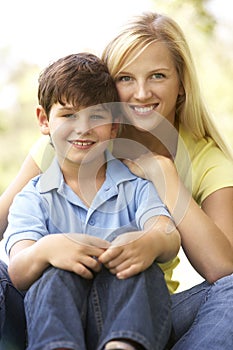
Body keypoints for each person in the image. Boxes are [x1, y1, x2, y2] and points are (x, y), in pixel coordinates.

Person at [0, 10, 233, 349]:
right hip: (52, 308)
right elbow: (13, 230)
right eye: (125, 78)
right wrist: (45, 250)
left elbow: (223, 269)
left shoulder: (204, 160)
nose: (140, 93)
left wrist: (163, 173)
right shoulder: (69, 140)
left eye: (157, 76)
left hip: (144, 311)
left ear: (181, 84)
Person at [4, 52, 180, 350]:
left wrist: (150, 242)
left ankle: (123, 346)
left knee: (139, 265)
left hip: (123, 319)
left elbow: (167, 233)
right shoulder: (33, 197)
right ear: (44, 120)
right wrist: (46, 249)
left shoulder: (135, 186)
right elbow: (18, 272)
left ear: (113, 127)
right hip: (59, 324)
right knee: (52, 275)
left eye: (96, 116)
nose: (83, 127)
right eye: (69, 115)